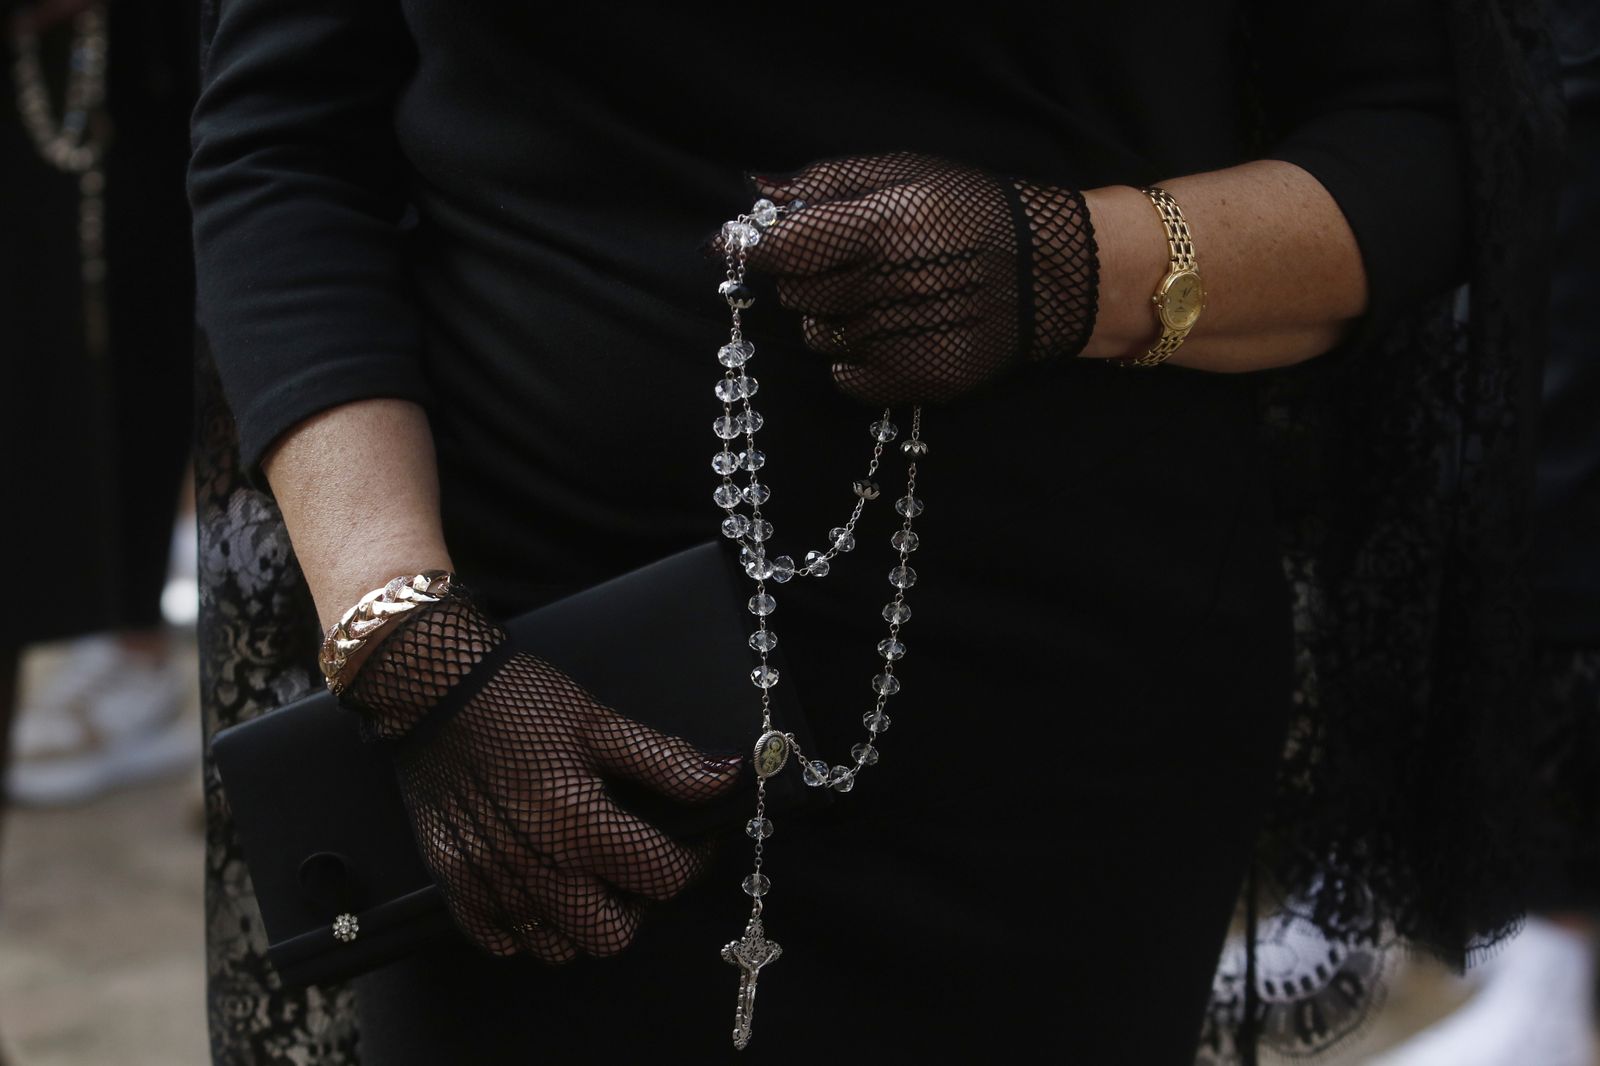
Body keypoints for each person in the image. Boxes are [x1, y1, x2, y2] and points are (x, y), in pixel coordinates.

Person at [186, 3, 1561, 1063]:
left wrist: (1077, 266)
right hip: (529, 719)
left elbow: (1423, 137)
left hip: (1059, 732)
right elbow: (282, 144)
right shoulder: (462, 684)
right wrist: (403, 635)